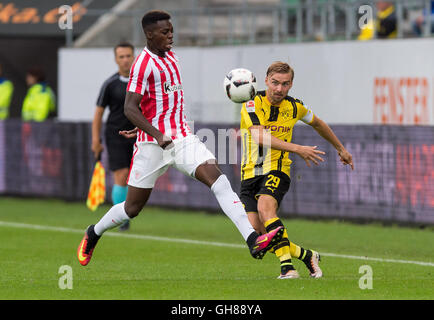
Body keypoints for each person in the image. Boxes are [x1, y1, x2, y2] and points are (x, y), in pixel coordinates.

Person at [77, 10, 284, 267]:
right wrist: (153, 132)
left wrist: (156, 125)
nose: (171, 35)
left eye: (171, 30)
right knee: (132, 208)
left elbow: (160, 103)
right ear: (150, 35)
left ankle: (252, 240)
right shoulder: (143, 64)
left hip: (183, 138)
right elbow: (130, 108)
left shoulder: (172, 57)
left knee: (218, 181)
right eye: (165, 32)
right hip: (153, 145)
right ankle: (93, 232)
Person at [239, 61, 354, 279]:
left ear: (291, 84)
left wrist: (341, 149)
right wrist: (298, 148)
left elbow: (318, 123)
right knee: (259, 239)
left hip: (278, 169)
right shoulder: (251, 104)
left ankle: (287, 268)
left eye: (285, 84)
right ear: (266, 81)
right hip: (249, 174)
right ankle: (307, 255)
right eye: (275, 83)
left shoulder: (295, 106)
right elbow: (259, 136)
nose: (279, 89)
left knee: (266, 209)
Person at [92, 42, 136, 231]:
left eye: (128, 56)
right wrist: (96, 140)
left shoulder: (141, 82)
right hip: (115, 135)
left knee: (135, 177)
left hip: (138, 135)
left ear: (134, 57)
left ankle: (126, 210)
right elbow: (98, 113)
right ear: (116, 59)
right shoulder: (110, 84)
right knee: (121, 174)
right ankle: (122, 218)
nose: (125, 60)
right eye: (121, 57)